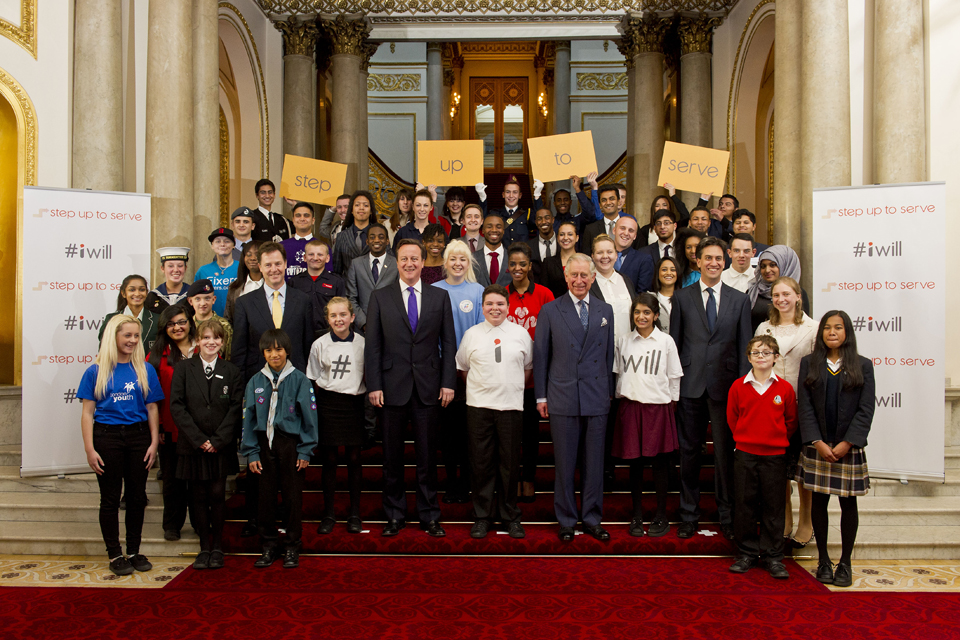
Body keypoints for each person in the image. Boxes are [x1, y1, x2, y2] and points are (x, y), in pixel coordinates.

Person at [365, 239, 457, 538]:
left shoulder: (439, 296)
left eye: (414, 259)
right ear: (397, 262)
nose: (409, 264)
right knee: (391, 458)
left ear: (423, 262)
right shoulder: (380, 297)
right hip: (390, 389)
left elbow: (449, 342)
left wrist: (447, 382)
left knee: (428, 457)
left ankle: (429, 515)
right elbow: (373, 345)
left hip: (429, 388)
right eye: (404, 259)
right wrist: (374, 384)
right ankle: (394, 515)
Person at [669, 236, 752, 540]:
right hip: (690, 387)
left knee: (724, 455)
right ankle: (688, 514)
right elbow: (674, 345)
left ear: (726, 260)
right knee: (689, 452)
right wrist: (673, 387)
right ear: (698, 261)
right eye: (708, 258)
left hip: (726, 388)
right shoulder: (681, 297)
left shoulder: (740, 299)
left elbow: (745, 346)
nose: (714, 263)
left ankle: (727, 515)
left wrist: (743, 390)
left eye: (719, 258)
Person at [534, 253, 616, 542]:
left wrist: (607, 393)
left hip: (596, 396)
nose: (580, 280)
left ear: (593, 277)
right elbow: (541, 356)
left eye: (585, 275)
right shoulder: (550, 311)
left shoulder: (606, 311)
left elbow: (608, 357)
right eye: (574, 275)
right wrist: (541, 395)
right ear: (566, 277)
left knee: (594, 464)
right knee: (565, 463)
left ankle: (593, 518)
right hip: (562, 395)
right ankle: (567, 519)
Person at [79, 315, 162, 576]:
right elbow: (86, 413)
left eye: (136, 336)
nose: (133, 340)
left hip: (138, 437)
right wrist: (90, 449)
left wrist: (153, 442)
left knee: (137, 497)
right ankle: (115, 553)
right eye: (127, 335)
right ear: (114, 336)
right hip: (107, 437)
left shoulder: (145, 369)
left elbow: (152, 407)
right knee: (110, 498)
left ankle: (134, 551)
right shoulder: (95, 371)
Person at [797, 311, 875, 588]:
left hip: (847, 447)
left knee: (847, 504)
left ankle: (845, 563)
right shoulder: (810, 363)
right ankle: (823, 560)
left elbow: (866, 409)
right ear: (821, 333)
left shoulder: (862, 365)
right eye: (827, 328)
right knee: (818, 502)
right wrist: (816, 441)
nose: (832, 332)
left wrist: (847, 442)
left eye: (838, 328)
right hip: (817, 446)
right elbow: (804, 407)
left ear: (847, 332)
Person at [456, 284, 534, 539]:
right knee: (481, 464)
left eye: (500, 304)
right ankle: (482, 516)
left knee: (509, 464)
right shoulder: (471, 334)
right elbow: (464, 369)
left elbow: (527, 369)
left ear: (508, 307)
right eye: (489, 304)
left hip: (511, 407)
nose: (495, 308)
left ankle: (510, 515)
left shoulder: (521, 333)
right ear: (482, 307)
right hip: (479, 407)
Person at [241, 328, 318, 569]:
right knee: (265, 498)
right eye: (269, 350)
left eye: (279, 349)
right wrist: (251, 451)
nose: (274, 354)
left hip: (290, 445)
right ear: (263, 353)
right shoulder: (255, 381)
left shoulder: (300, 380)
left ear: (287, 350)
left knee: (292, 498)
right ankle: (268, 545)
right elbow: (249, 419)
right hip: (264, 445)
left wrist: (305, 450)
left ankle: (292, 546)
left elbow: (310, 418)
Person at [168, 319, 242, 570]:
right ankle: (204, 548)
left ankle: (218, 546)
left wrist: (218, 440)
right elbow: (177, 406)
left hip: (220, 446)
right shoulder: (183, 369)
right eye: (206, 337)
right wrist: (199, 440)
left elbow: (234, 408)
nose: (211, 342)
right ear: (198, 340)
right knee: (197, 496)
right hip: (193, 445)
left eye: (217, 338)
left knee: (217, 495)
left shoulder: (231, 371)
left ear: (223, 342)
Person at [727, 334, 798, 579]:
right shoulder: (738, 386)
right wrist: (747, 439)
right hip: (746, 455)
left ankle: (773, 556)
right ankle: (746, 553)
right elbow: (732, 419)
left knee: (774, 507)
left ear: (776, 357)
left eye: (766, 353)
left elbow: (790, 422)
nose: (761, 357)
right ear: (749, 358)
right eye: (756, 353)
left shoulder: (785, 389)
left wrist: (773, 441)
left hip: (775, 456)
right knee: (745, 506)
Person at [755, 276, 818, 549]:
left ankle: (807, 521)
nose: (781, 299)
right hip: (771, 407)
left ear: (797, 296)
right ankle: (785, 517)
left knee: (802, 468)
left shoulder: (813, 328)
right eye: (777, 295)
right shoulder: (764, 327)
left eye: (786, 294)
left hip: (803, 406)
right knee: (777, 468)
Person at [612, 293, 682, 538]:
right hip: (631, 407)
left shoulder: (665, 341)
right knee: (635, 465)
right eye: (637, 312)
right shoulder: (623, 340)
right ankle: (637, 515)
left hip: (658, 407)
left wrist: (671, 405)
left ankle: (661, 515)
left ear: (655, 315)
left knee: (661, 465)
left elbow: (674, 377)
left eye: (646, 312)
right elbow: (618, 373)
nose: (641, 317)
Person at [306, 297, 367, 535]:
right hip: (329, 404)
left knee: (354, 459)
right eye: (333, 316)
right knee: (329, 460)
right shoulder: (320, 344)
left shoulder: (362, 343)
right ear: (327, 319)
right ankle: (329, 513)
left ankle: (354, 513)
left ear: (352, 317)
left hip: (353, 404)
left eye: (343, 315)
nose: (338, 319)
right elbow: (314, 377)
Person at [433, 240, 485, 504]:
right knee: (447, 433)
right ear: (445, 262)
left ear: (469, 263)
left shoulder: (478, 292)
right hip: (440, 371)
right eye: (452, 259)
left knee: (468, 432)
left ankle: (467, 481)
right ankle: (451, 481)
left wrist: (464, 363)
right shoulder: (433, 290)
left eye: (462, 259)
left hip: (469, 373)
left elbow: (480, 332)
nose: (457, 264)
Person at [504, 242, 555, 503]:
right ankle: (513, 479)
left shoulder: (545, 294)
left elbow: (553, 332)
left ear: (530, 265)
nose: (517, 268)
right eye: (513, 264)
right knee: (511, 434)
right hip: (508, 378)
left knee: (531, 432)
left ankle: (529, 478)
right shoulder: (502, 294)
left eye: (522, 264)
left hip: (536, 377)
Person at [147, 304, 197, 542]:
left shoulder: (204, 349)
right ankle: (172, 525)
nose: (177, 327)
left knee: (198, 481)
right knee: (172, 481)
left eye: (181, 322)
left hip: (199, 430)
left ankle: (200, 523)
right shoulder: (156, 357)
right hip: (170, 429)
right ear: (164, 328)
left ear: (190, 322)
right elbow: (152, 399)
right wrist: (157, 430)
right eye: (171, 324)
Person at [231, 242, 314, 381]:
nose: (274, 269)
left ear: (285, 264)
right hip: (258, 381)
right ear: (260, 267)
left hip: (295, 381)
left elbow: (308, 346)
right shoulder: (244, 303)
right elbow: (239, 351)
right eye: (268, 265)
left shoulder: (303, 301)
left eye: (278, 264)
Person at [288, 239, 347, 340]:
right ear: (304, 257)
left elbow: (342, 310)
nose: (315, 258)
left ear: (327, 258)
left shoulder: (336, 282)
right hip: (301, 335)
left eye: (320, 254)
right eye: (311, 254)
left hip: (329, 334)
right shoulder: (294, 282)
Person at [346, 223, 397, 333]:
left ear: (387, 241)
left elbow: (399, 296)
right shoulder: (356, 264)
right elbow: (351, 298)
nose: (377, 240)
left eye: (381, 237)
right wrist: (364, 323)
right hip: (362, 328)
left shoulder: (396, 264)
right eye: (372, 237)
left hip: (390, 326)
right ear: (367, 241)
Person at [747, 245, 811, 332]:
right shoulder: (753, 291)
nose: (767, 270)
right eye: (763, 266)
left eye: (773, 265)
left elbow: (803, 325)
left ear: (785, 264)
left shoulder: (798, 293)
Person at [99, 274, 160, 350]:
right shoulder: (111, 319)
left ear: (147, 293)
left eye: (142, 290)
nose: (137, 294)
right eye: (132, 290)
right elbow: (104, 350)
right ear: (123, 293)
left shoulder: (157, 319)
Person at [591, 234, 634, 342]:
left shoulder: (626, 280)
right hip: (600, 351)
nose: (605, 256)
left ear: (616, 255)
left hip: (627, 348)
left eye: (609, 252)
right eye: (600, 252)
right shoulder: (587, 284)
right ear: (592, 256)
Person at [194, 228, 238, 318]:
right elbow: (195, 298)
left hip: (237, 320)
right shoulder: (203, 271)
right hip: (210, 322)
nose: (222, 244)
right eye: (217, 241)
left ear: (234, 245)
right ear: (212, 246)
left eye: (227, 241)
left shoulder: (242, 268)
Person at [332, 191, 377, 276]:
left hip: (374, 287)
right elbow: (337, 271)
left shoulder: (380, 235)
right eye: (357, 205)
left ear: (371, 211)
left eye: (366, 205)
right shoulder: (341, 236)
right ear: (351, 210)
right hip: (348, 287)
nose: (361, 208)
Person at [186, 279, 233, 359]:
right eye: (197, 299)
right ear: (190, 301)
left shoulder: (224, 325)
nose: (203, 303)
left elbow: (229, 355)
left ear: (213, 299)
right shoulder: (187, 326)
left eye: (207, 298)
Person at [610, 216, 654, 293]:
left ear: (635, 236)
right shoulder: (602, 257)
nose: (626, 233)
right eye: (622, 228)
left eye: (631, 230)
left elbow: (642, 294)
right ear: (614, 230)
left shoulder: (643, 260)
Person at [487, 178, 537, 245]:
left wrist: (537, 196)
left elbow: (540, 219)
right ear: (503, 195)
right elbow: (483, 222)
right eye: (508, 192)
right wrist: (482, 198)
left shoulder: (527, 214)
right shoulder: (495, 214)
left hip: (521, 254)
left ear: (520, 195)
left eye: (515, 192)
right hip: (503, 255)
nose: (511, 196)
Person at [539, 220, 579, 299]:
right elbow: (544, 292)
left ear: (577, 238)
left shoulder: (585, 261)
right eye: (562, 234)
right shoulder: (548, 263)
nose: (565, 238)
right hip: (556, 308)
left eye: (570, 234)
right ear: (557, 238)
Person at [224, 240, 262, 324]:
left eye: (257, 254)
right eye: (248, 254)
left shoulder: (272, 285)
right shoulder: (234, 287)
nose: (252, 258)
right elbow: (228, 319)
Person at [145, 247, 191, 314]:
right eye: (170, 266)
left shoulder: (193, 295)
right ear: (162, 268)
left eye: (180, 266)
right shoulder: (153, 297)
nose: (176, 270)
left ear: (185, 268)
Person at [472, 212, 512, 287]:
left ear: (503, 231)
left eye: (498, 227)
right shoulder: (472, 259)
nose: (494, 230)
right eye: (489, 226)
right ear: (483, 230)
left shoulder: (512, 257)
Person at [580, 184, 622, 253]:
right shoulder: (590, 230)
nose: (608, 203)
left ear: (619, 201)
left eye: (611, 199)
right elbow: (586, 258)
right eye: (604, 200)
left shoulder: (630, 226)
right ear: (600, 205)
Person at [281, 202, 317, 280]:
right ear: (293, 220)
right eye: (298, 215)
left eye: (306, 215)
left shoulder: (322, 247)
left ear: (313, 220)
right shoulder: (281, 247)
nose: (302, 219)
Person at [527, 207, 557, 283]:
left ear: (553, 220)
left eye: (547, 218)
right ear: (536, 222)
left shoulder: (563, 242)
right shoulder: (528, 246)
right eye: (540, 219)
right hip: (537, 291)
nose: (543, 222)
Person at [652, 256, 681, 335]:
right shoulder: (651, 299)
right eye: (664, 270)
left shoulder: (685, 298)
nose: (668, 273)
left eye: (673, 270)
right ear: (658, 274)